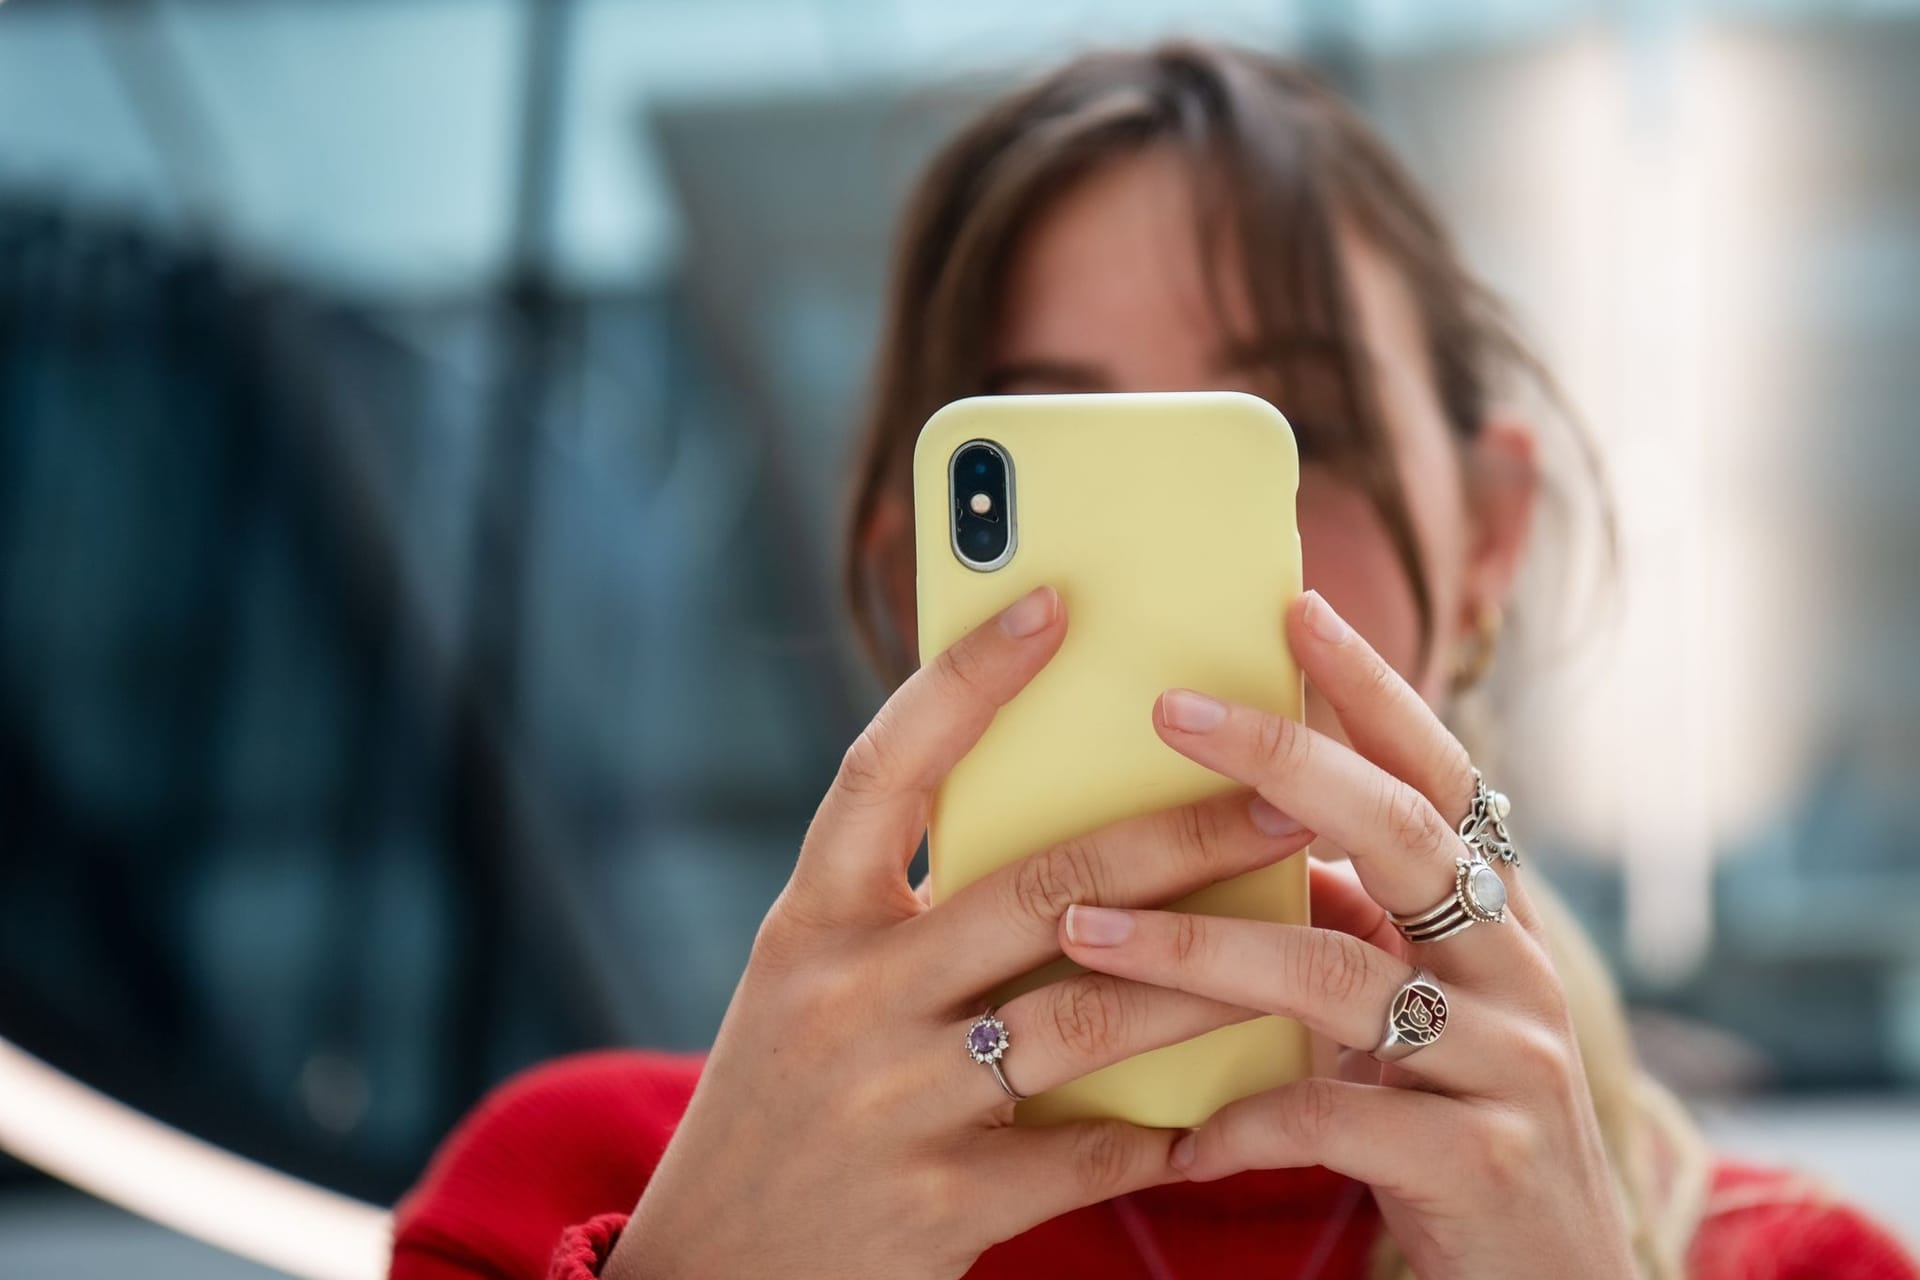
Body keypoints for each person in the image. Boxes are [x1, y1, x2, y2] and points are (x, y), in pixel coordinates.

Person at [389, 42, 1919, 1280]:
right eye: (1066, 458)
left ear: (1492, 546)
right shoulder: (578, 1197)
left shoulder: (1798, 1267)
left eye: (1291, 437)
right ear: (910, 574)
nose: (1205, 582)